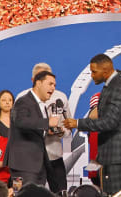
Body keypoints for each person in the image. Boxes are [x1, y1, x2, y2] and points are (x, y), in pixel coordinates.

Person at [64, 54, 121, 195]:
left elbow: (110, 122)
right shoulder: (110, 86)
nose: (91, 76)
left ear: (105, 71)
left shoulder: (119, 87)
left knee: (117, 194)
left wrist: (78, 123)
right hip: (112, 153)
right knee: (109, 193)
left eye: (94, 71)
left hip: (118, 154)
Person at [16, 63, 72, 193]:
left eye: (49, 81)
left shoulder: (60, 97)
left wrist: (62, 132)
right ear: (33, 80)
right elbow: (19, 128)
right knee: (28, 194)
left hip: (54, 156)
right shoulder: (22, 98)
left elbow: (68, 126)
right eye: (39, 79)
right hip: (30, 158)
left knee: (61, 192)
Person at [3, 70, 59, 186]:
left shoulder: (40, 105)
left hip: (37, 165)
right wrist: (48, 122)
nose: (53, 88)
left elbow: (32, 127)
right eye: (50, 84)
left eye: (54, 85)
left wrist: (48, 130)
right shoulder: (23, 101)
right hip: (23, 165)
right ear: (38, 83)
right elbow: (20, 121)